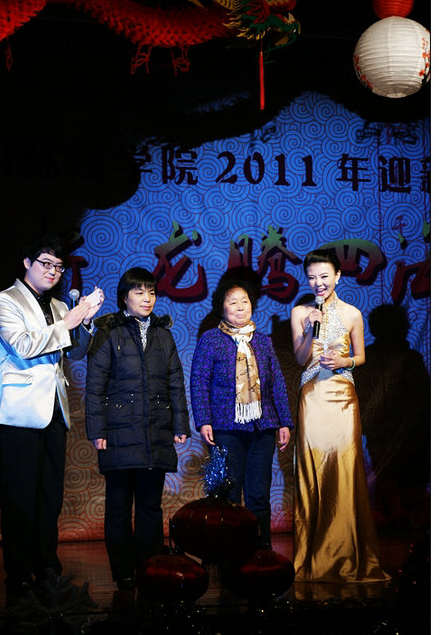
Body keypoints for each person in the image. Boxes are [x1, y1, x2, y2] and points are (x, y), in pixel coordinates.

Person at [0, 233, 104, 608]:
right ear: (27, 263)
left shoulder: (57, 305)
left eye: (58, 266)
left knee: (49, 496)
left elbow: (75, 350)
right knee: (19, 497)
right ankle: (19, 573)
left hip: (55, 409)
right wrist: (68, 321)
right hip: (20, 412)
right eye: (46, 263)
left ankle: (47, 567)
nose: (54, 271)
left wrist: (84, 322)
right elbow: (23, 346)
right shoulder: (5, 301)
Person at [85, 267, 190, 590]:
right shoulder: (108, 332)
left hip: (154, 432)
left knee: (150, 507)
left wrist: (180, 424)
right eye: (139, 292)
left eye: (152, 292)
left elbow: (175, 383)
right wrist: (97, 430)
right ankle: (124, 573)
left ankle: (150, 569)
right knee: (118, 507)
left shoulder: (163, 335)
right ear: (124, 298)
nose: (147, 298)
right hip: (118, 433)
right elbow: (95, 386)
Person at [290, 248, 389, 583]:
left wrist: (344, 361)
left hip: (344, 399)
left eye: (324, 276)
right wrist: (309, 329)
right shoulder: (300, 312)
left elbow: (360, 357)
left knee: (345, 469)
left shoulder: (352, 314)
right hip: (313, 398)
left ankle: (348, 552)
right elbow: (300, 359)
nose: (318, 283)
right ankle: (313, 557)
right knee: (314, 470)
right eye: (312, 278)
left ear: (338, 276)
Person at [190, 273, 293, 548]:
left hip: (262, 427)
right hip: (226, 428)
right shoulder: (211, 339)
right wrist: (204, 420)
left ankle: (262, 552)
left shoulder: (263, 341)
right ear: (221, 307)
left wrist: (284, 422)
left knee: (259, 495)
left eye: (244, 301)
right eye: (233, 302)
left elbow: (277, 383)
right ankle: (230, 555)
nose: (240, 307)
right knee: (229, 496)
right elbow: (199, 381)